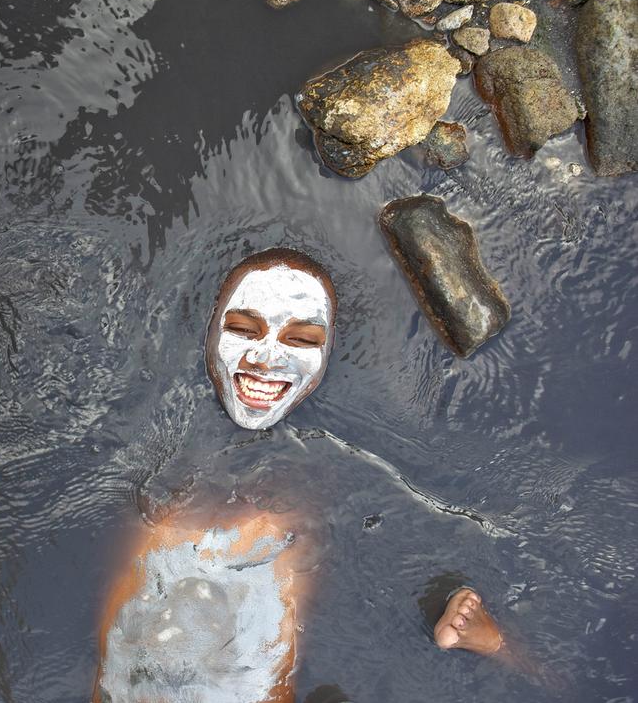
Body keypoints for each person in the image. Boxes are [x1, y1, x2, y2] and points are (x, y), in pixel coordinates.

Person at [94, 248, 505, 703]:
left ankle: (498, 645)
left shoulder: (325, 472)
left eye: (302, 340)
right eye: (242, 329)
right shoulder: (156, 433)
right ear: (210, 327)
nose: (266, 357)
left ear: (329, 354)